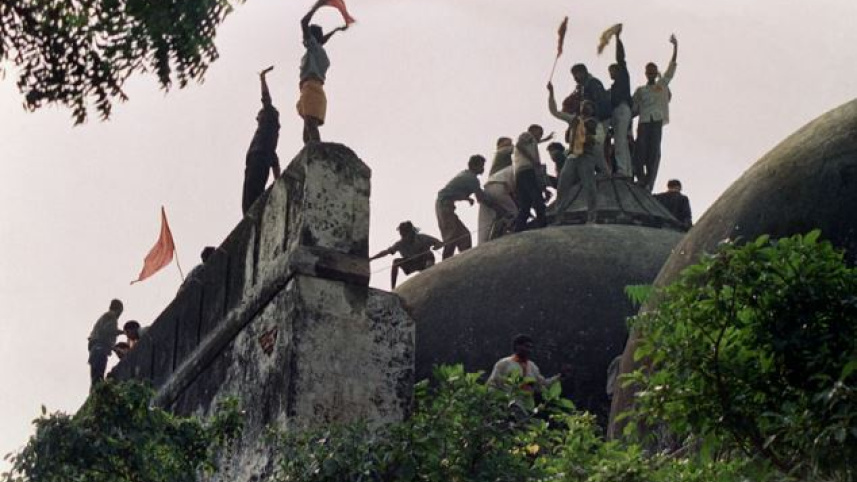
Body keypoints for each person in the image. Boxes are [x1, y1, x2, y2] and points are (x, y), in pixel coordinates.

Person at [297, 0, 349, 144]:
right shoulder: (320, 53)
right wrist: (336, 30)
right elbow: (322, 40)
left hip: (310, 88)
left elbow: (303, 22)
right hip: (315, 89)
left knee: (310, 126)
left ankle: (319, 153)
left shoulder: (313, 48)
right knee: (307, 132)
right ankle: (313, 154)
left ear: (312, 38)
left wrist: (317, 6)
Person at [632, 34, 678, 192]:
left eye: (653, 72)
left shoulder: (661, 86)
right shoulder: (640, 90)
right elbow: (633, 107)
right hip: (644, 122)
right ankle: (641, 178)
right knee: (640, 150)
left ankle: (649, 183)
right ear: (646, 73)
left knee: (654, 153)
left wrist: (675, 47)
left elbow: (671, 70)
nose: (651, 74)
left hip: (656, 121)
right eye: (648, 72)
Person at [436, 155, 497, 259]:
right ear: (474, 166)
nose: (483, 169)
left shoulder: (466, 175)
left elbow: (455, 190)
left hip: (446, 205)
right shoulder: (472, 178)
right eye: (481, 166)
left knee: (464, 235)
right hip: (444, 205)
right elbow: (481, 197)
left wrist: (466, 198)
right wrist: (497, 205)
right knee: (452, 235)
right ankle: (445, 263)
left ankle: (467, 259)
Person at [551, 100, 602, 223]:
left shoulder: (595, 123)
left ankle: (592, 216)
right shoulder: (574, 120)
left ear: (593, 109)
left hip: (586, 156)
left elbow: (599, 139)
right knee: (563, 184)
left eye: (589, 105)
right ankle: (559, 215)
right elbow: (555, 112)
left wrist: (585, 137)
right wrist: (551, 93)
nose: (585, 107)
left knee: (589, 185)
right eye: (583, 105)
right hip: (572, 156)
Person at [242, 67, 282, 215]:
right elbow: (275, 163)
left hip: (257, 159)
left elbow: (266, 99)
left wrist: (263, 79)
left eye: (258, 115)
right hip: (258, 160)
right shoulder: (270, 138)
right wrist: (279, 182)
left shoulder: (266, 127)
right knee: (252, 197)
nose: (257, 118)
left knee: (250, 199)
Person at [487, 334, 569, 394]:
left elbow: (542, 386)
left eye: (530, 347)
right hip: (506, 406)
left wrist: (560, 376)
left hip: (526, 408)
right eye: (526, 346)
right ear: (517, 346)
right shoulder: (504, 363)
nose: (529, 350)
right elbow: (493, 385)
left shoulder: (532, 367)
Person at [370, 221, 443, 288]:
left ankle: (430, 275)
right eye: (401, 234)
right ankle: (393, 288)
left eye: (404, 234)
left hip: (424, 262)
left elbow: (439, 243)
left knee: (428, 254)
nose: (402, 237)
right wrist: (372, 258)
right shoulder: (400, 244)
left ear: (411, 232)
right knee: (396, 262)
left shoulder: (422, 238)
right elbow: (386, 252)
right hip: (412, 263)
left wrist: (437, 246)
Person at [512, 125, 552, 232]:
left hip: (520, 173)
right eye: (540, 133)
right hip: (527, 170)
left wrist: (545, 139)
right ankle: (542, 224)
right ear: (533, 131)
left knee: (526, 204)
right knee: (537, 198)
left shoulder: (531, 141)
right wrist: (532, 160)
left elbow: (532, 142)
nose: (540, 136)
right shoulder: (527, 135)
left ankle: (519, 228)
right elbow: (520, 145)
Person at [607, 25, 633, 178]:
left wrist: (617, 39)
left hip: (622, 109)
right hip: (619, 111)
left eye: (612, 71)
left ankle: (623, 170)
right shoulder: (614, 87)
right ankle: (627, 170)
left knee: (620, 141)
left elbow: (621, 58)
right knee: (621, 140)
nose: (611, 74)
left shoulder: (623, 78)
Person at [478, 159, 517, 244]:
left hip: (488, 189)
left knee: (486, 222)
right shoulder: (521, 169)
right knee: (513, 213)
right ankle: (510, 232)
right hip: (499, 186)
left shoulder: (510, 169)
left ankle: (483, 243)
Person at [87, 299, 124, 389]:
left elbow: (102, 335)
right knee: (98, 379)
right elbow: (107, 331)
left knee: (95, 379)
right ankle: (97, 396)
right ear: (119, 310)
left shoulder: (104, 317)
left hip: (95, 350)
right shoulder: (112, 316)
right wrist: (122, 332)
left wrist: (114, 348)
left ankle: (94, 397)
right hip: (100, 349)